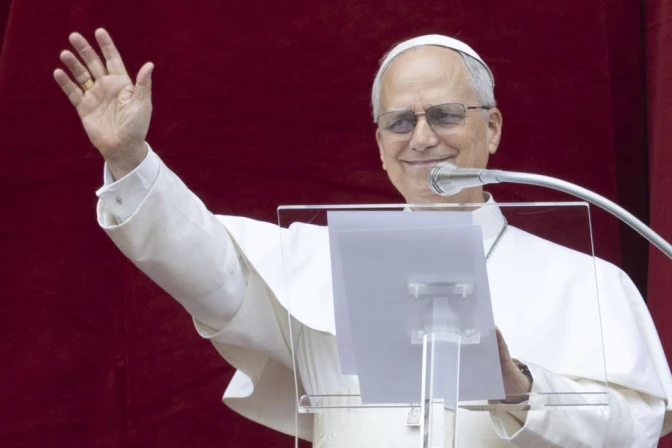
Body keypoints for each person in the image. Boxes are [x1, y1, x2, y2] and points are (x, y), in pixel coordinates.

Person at [54, 29, 672, 447]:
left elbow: (638, 428)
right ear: (379, 145)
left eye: (445, 115)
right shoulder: (317, 265)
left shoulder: (586, 282)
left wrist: (519, 388)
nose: (422, 138)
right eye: (400, 122)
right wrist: (131, 160)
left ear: (493, 127)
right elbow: (208, 268)